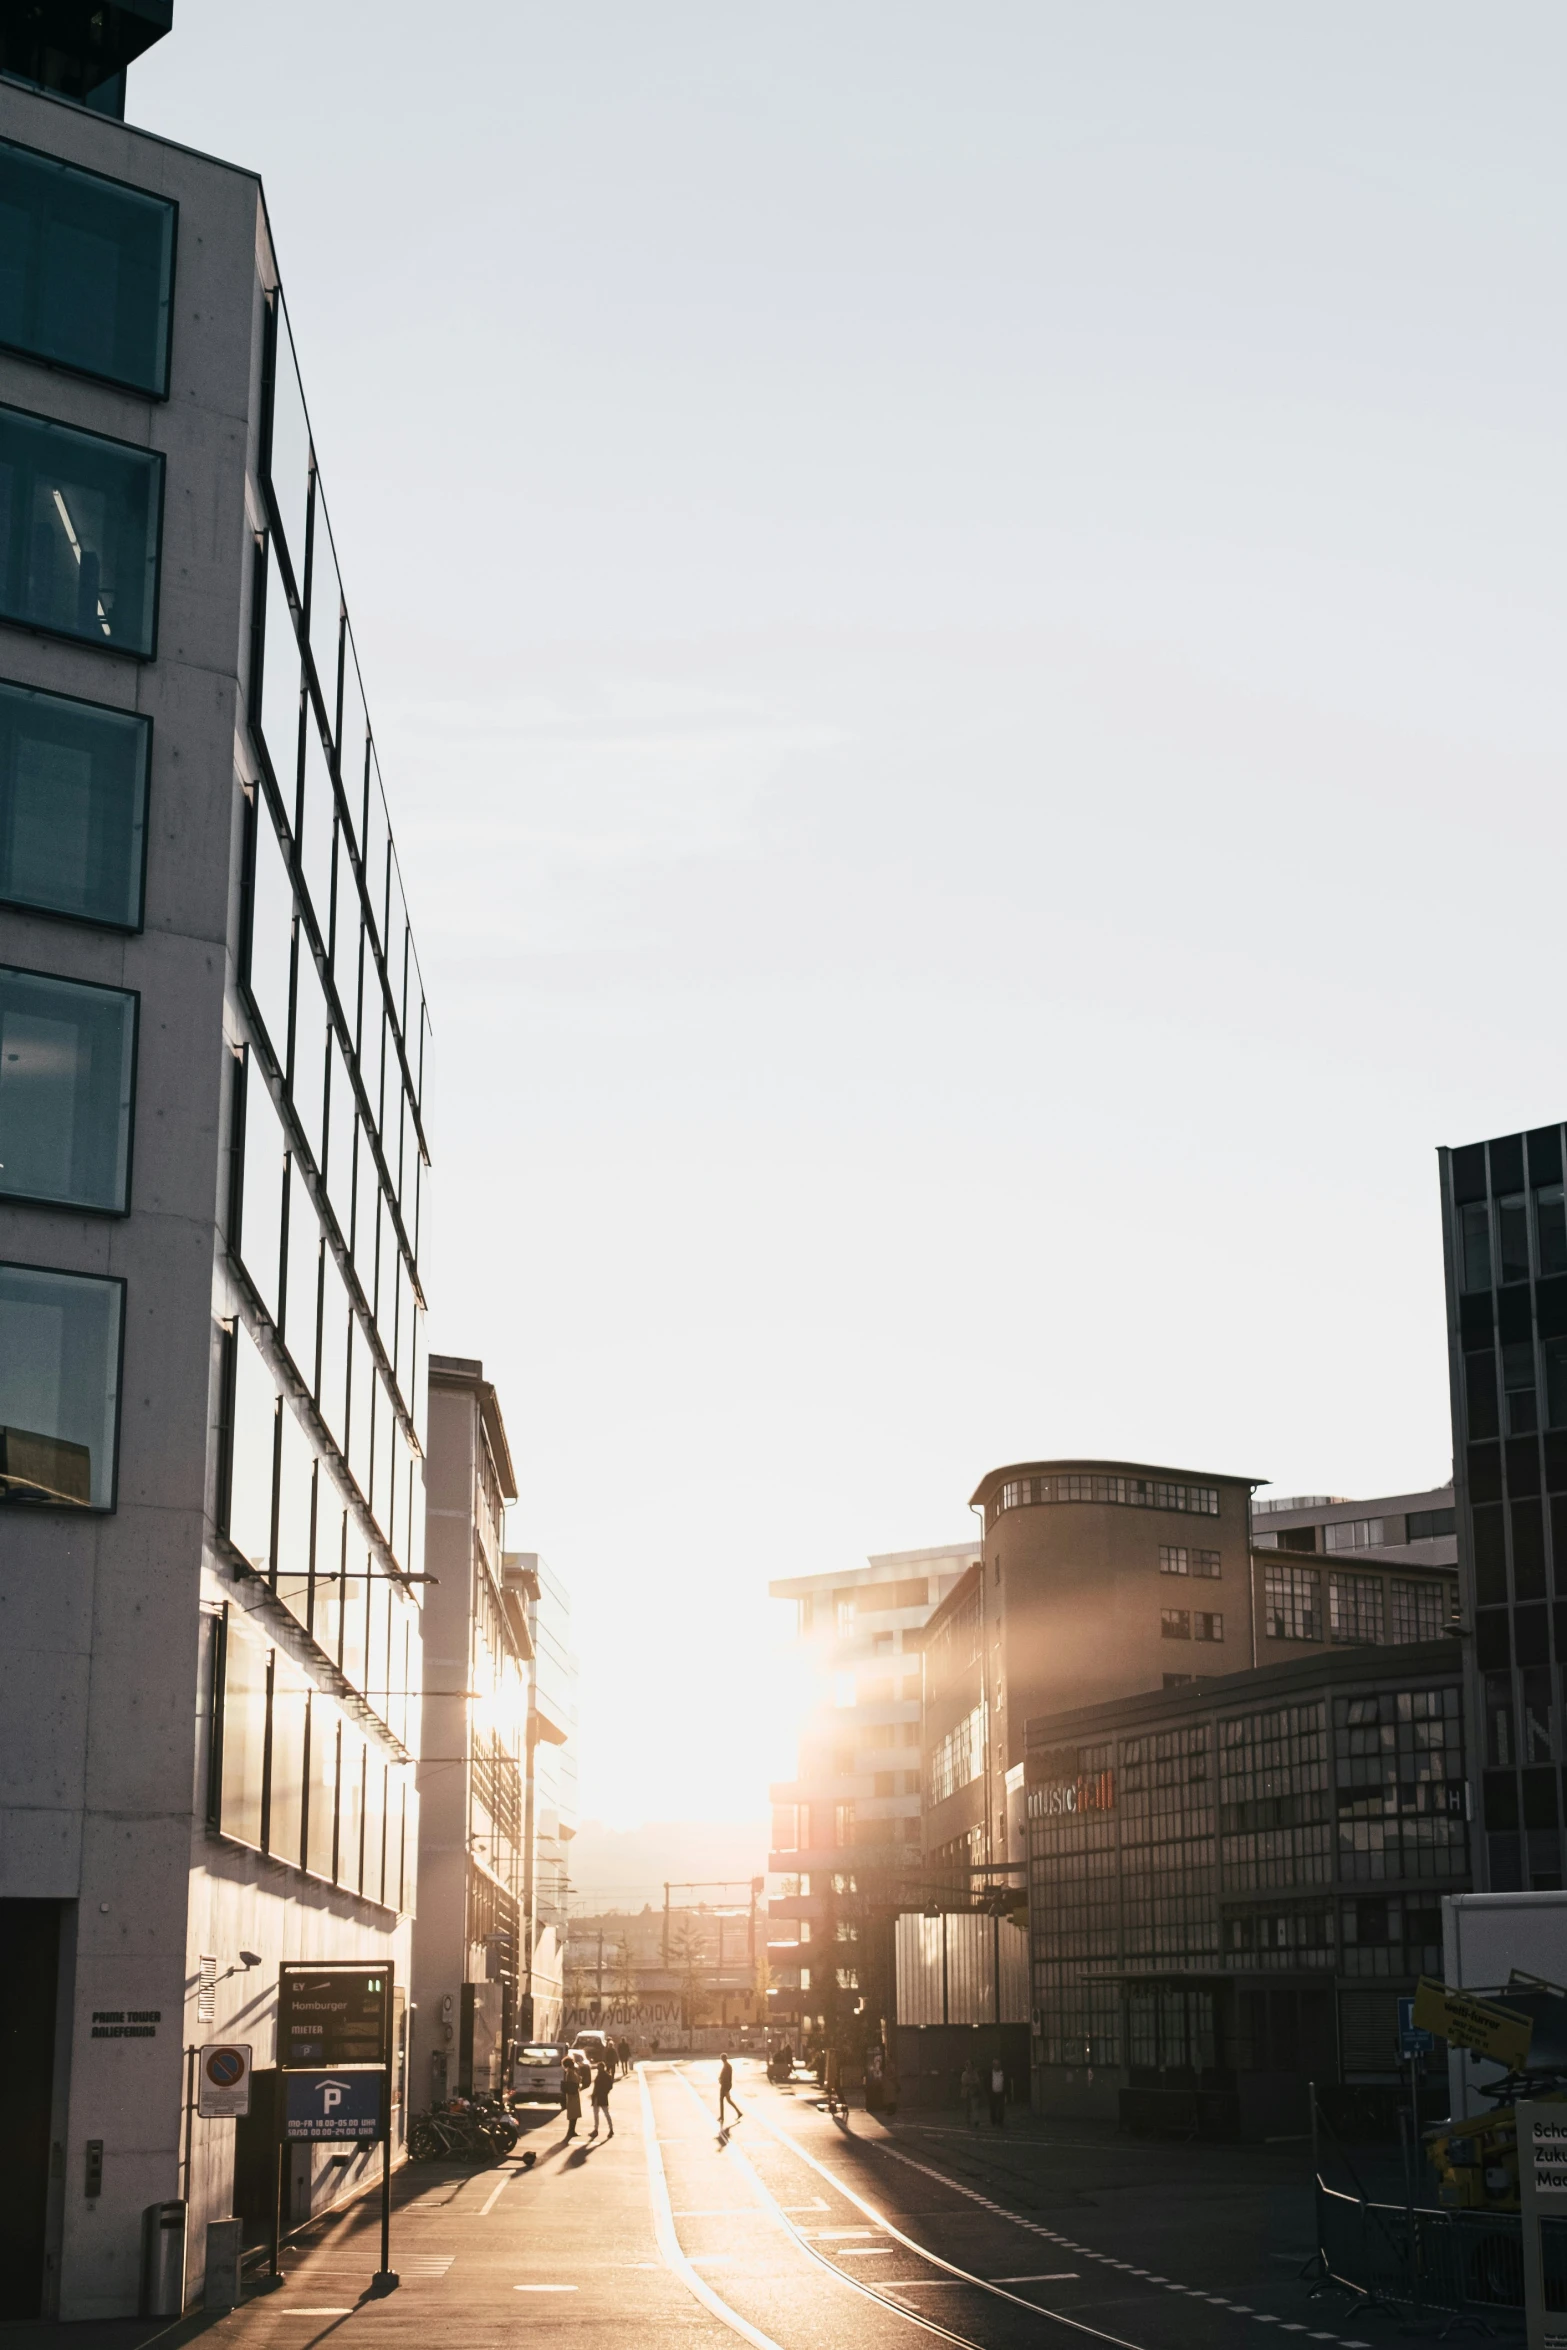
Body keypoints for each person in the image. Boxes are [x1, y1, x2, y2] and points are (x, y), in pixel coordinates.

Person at [589, 2055, 615, 2139]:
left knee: (605, 2113)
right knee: (598, 2114)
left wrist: (603, 2092)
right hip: (598, 2097)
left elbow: (609, 2086)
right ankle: (597, 2129)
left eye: (598, 2068)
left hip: (601, 2097)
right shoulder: (602, 2075)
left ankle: (610, 2129)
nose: (597, 2069)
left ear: (602, 2068)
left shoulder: (605, 2076)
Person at [561, 2051, 583, 2141]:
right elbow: (575, 2081)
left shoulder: (570, 2071)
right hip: (572, 2094)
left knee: (574, 2114)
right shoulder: (570, 2072)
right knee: (573, 2113)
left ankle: (572, 2130)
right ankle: (571, 2131)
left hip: (573, 2094)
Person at [718, 2050, 743, 2126]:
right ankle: (738, 2112)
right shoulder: (727, 2065)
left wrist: (721, 2080)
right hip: (726, 2085)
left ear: (722, 2059)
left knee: (723, 2100)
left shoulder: (727, 2066)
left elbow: (726, 2077)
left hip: (725, 2086)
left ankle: (722, 2116)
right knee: (727, 2100)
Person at [960, 2057, 981, 2129]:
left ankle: (976, 2121)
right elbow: (964, 2082)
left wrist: (971, 2083)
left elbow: (978, 2081)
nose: (969, 2067)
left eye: (970, 2066)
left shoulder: (974, 2073)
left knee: (974, 2107)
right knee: (967, 2108)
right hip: (966, 2094)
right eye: (967, 2065)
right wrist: (972, 2082)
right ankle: (967, 2121)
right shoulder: (964, 2074)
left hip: (974, 2092)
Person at [988, 2056, 1006, 2128]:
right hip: (993, 2093)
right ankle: (993, 2121)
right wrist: (989, 2092)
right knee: (993, 2108)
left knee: (1001, 2108)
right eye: (995, 2064)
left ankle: (1000, 2121)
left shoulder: (1003, 2073)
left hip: (1001, 2093)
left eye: (998, 2064)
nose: (997, 2066)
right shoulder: (990, 2074)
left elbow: (1005, 2082)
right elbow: (987, 2083)